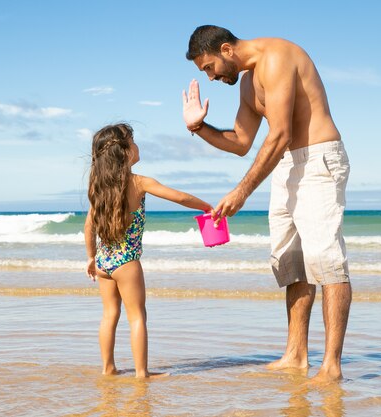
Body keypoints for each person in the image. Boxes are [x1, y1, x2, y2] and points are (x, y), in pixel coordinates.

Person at [182, 25, 351, 384]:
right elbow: (242, 141)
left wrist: (242, 192)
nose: (210, 77)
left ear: (226, 49)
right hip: (285, 163)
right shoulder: (247, 82)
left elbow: (281, 134)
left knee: (327, 260)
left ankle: (332, 366)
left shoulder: (276, 58)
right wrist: (199, 128)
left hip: (318, 159)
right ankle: (296, 354)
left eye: (209, 67)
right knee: (291, 261)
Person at [84, 122, 212, 379]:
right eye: (133, 141)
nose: (137, 145)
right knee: (137, 316)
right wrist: (207, 206)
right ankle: (142, 373)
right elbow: (179, 197)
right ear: (124, 151)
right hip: (127, 262)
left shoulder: (99, 185)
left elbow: (89, 226)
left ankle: (108, 368)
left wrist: (90, 257)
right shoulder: (139, 182)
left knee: (109, 314)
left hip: (104, 260)